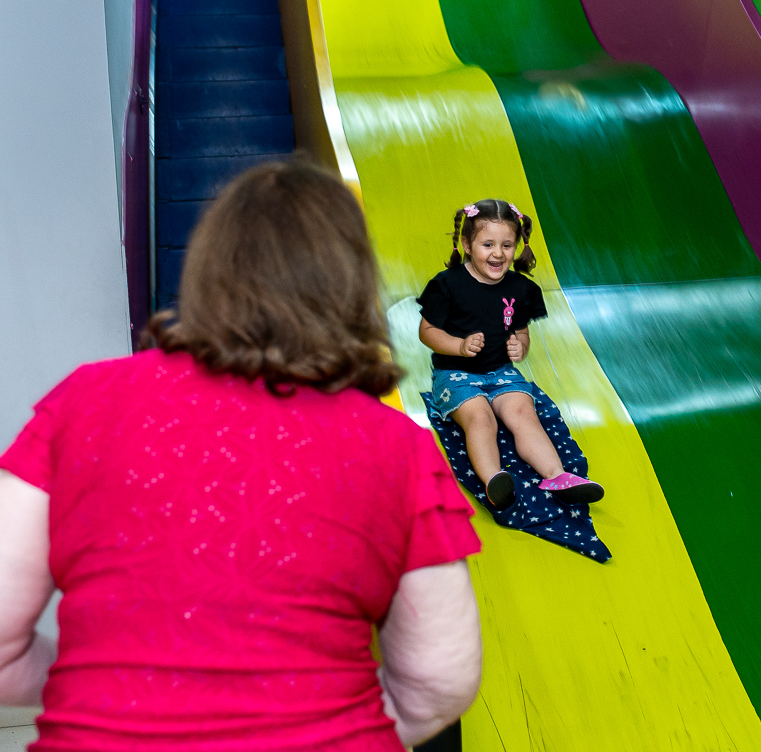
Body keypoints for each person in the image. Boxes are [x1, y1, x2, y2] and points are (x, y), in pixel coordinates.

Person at [0, 159, 483, 751]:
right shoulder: (397, 447)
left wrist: (107, 691)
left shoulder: (82, 402)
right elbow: (439, 681)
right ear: (354, 288)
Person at [417, 200, 604, 510]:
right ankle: (494, 479)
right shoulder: (446, 285)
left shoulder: (521, 288)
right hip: (454, 374)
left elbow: (520, 331)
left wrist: (521, 345)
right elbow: (427, 332)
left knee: (523, 414)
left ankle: (556, 476)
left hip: (501, 371)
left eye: (507, 245)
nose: (498, 253)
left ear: (517, 246)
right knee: (480, 418)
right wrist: (459, 346)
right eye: (487, 244)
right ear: (467, 244)